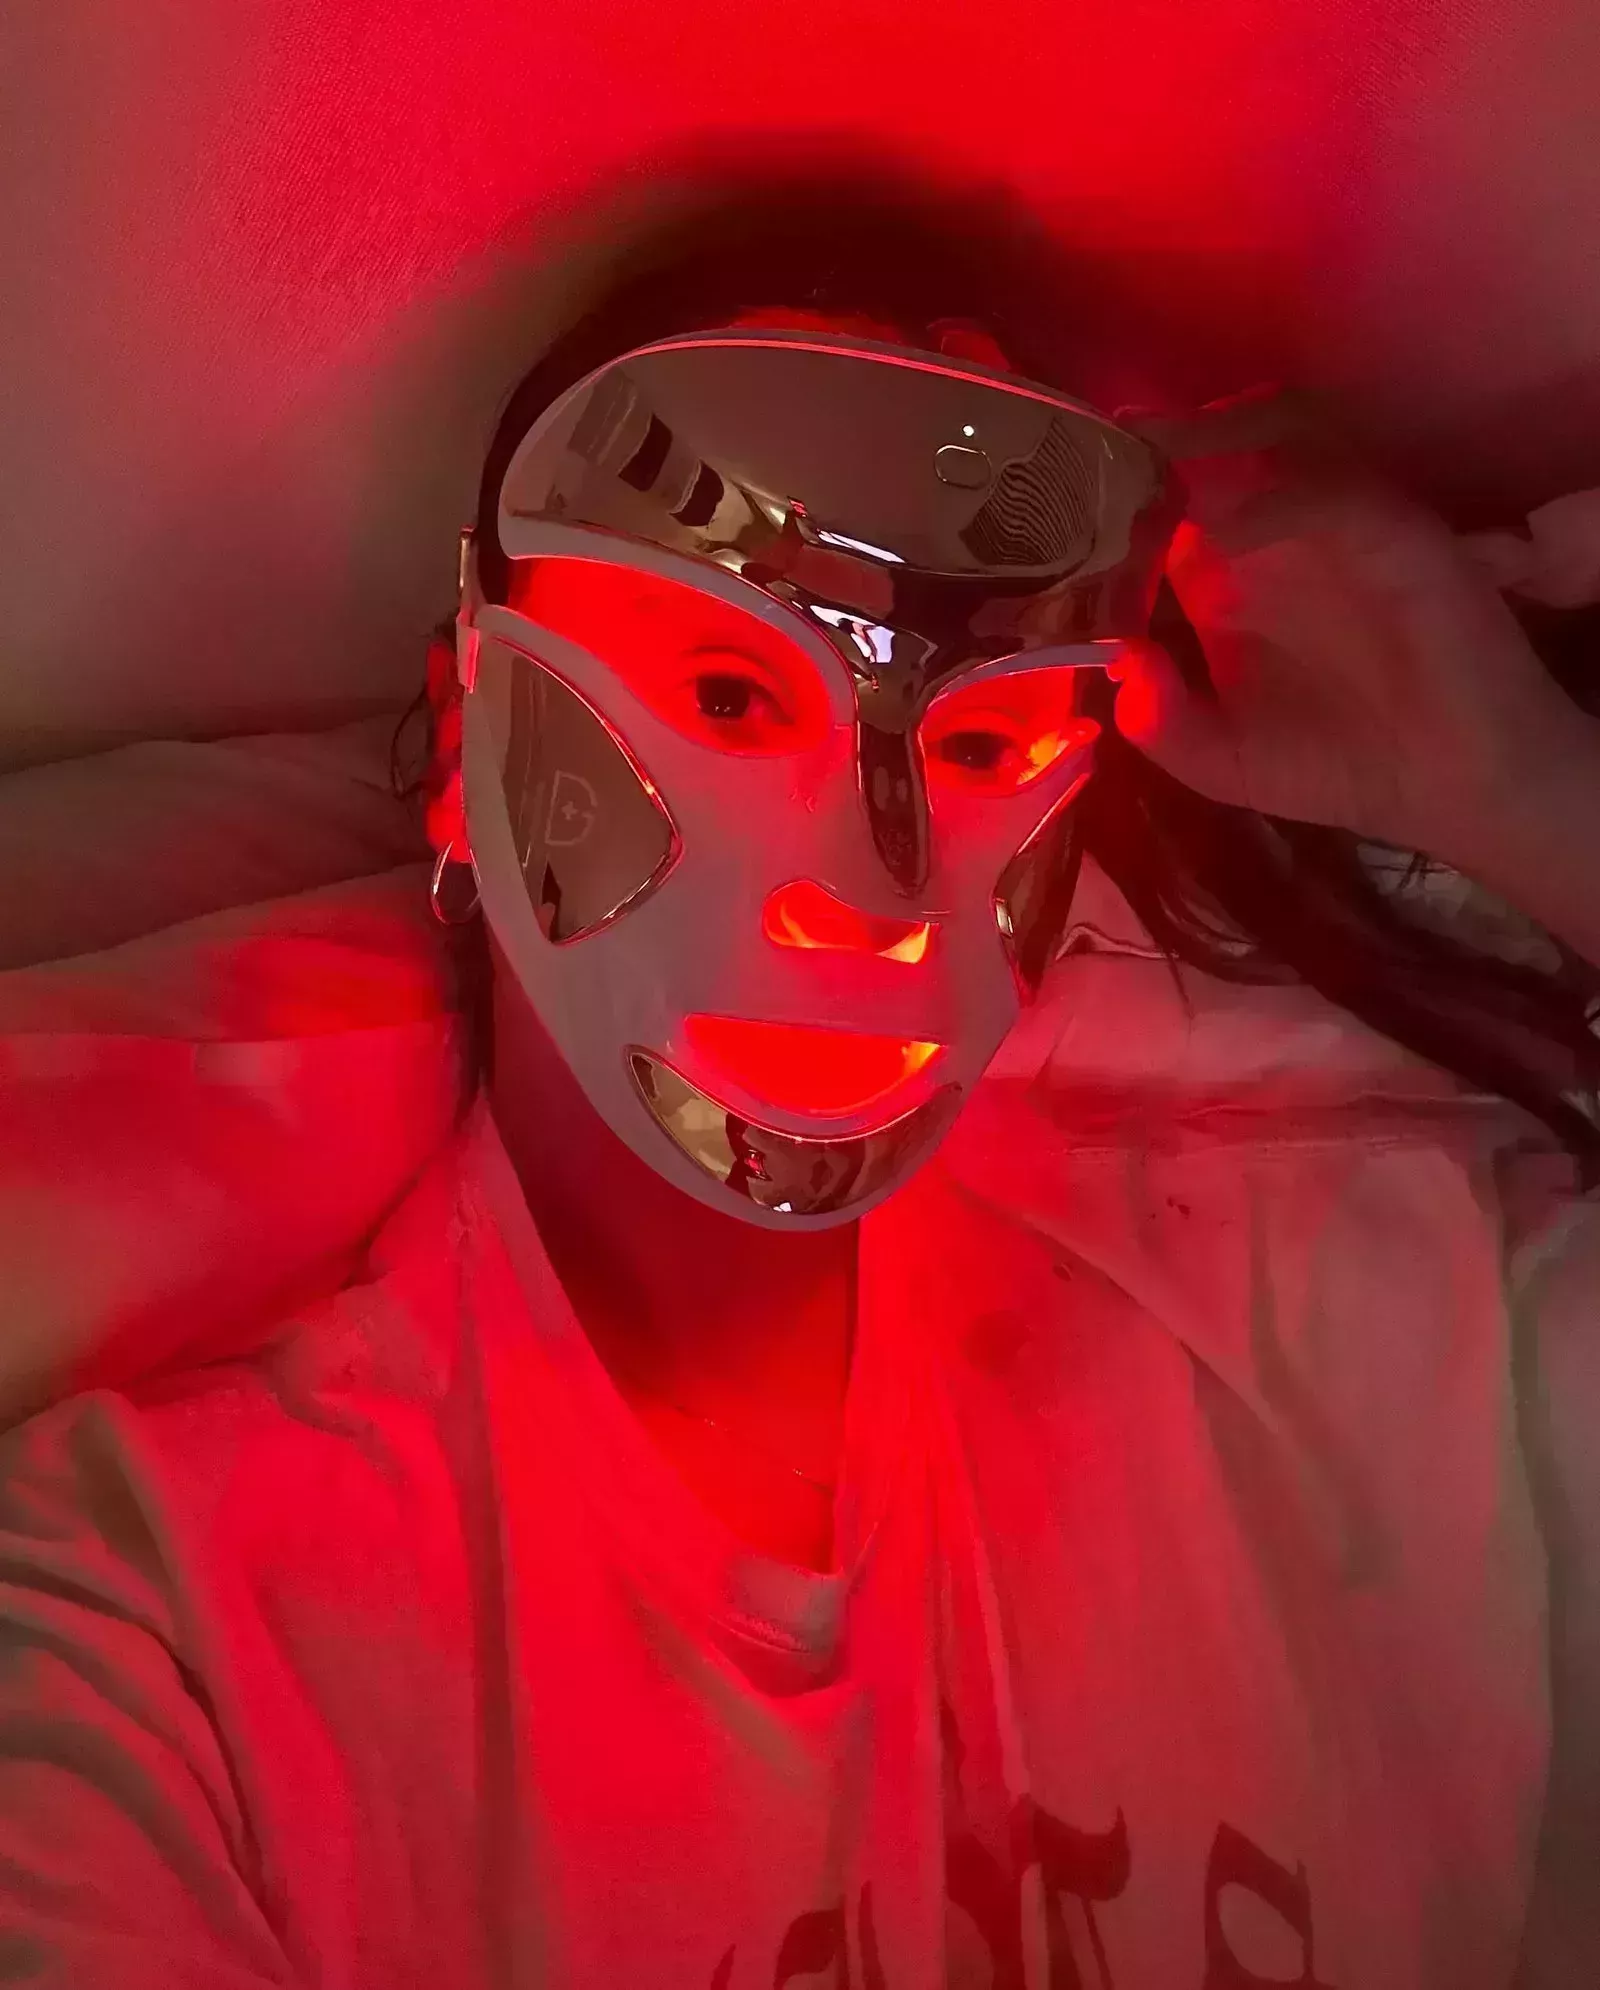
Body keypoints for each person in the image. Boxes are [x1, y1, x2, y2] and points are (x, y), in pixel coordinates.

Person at [1, 168, 1597, 1988]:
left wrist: (1517, 791)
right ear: (463, 737)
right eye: (735, 698)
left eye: (988, 741)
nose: (875, 891)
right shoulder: (161, 1634)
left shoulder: (1350, 1335)